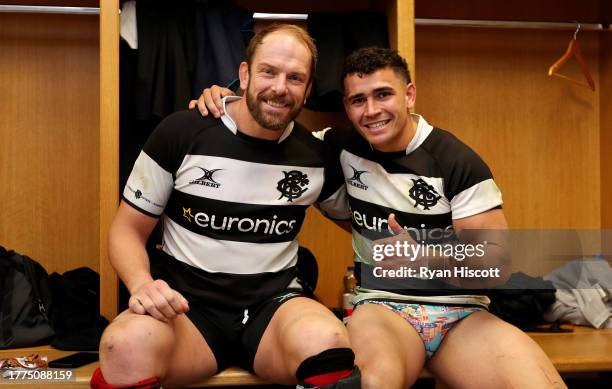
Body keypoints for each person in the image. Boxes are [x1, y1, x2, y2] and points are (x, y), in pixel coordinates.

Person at [192, 46, 566, 388]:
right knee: (369, 383)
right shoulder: (335, 148)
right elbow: (265, 127)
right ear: (346, 106)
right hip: (382, 307)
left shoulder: (456, 161)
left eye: (383, 95)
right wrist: (226, 101)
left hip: (463, 314)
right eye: (358, 100)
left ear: (409, 95)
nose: (371, 111)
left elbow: (496, 266)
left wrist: (425, 257)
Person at [92, 24, 361, 389]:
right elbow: (126, 229)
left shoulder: (314, 156)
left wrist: (424, 250)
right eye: (268, 72)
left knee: (328, 342)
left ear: (309, 89)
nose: (280, 88)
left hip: (275, 310)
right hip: (187, 312)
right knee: (120, 347)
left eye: (295, 78)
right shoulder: (181, 132)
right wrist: (141, 285)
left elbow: (362, 222)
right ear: (244, 74)